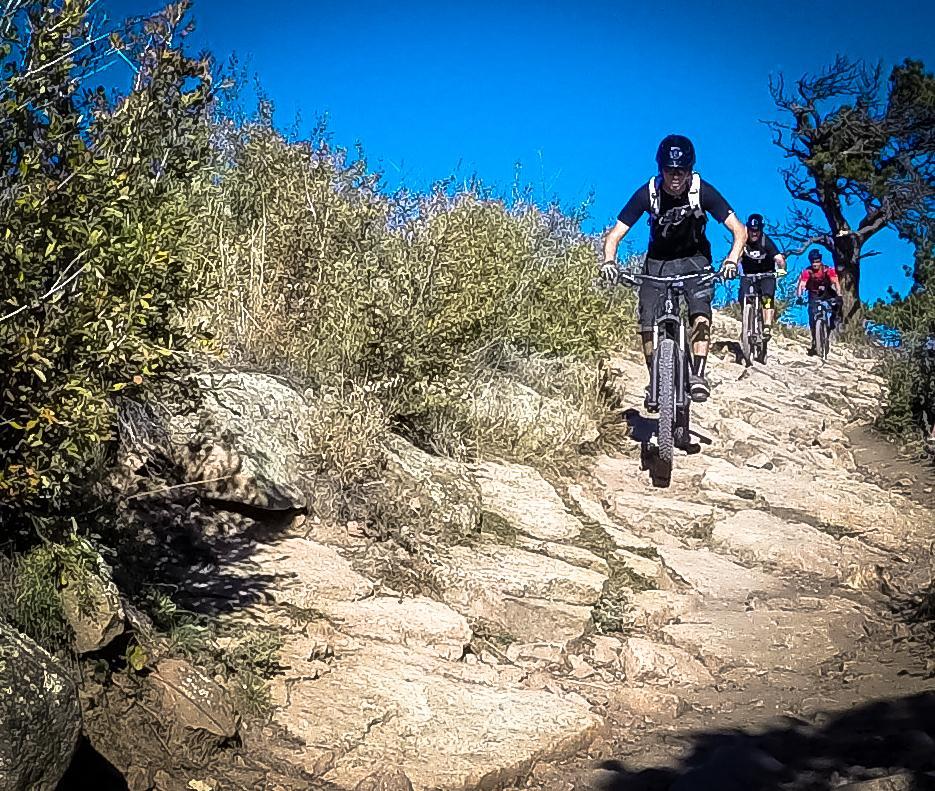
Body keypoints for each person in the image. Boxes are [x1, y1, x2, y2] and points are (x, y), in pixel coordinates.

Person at [600, 134, 746, 403]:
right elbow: (615, 235)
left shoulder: (703, 191)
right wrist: (609, 260)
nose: (675, 176)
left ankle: (698, 374)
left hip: (695, 260)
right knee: (647, 318)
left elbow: (739, 229)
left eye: (681, 170)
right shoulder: (649, 192)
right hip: (658, 263)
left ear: (690, 170)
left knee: (700, 310)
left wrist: (731, 260)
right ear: (661, 169)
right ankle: (655, 378)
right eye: (669, 170)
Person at [737, 214, 786, 339]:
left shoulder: (766, 241)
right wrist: (730, 266)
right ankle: (747, 322)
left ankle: (767, 326)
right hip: (748, 274)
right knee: (743, 295)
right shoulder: (743, 241)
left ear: (761, 230)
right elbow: (734, 256)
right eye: (751, 230)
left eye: (757, 230)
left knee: (767, 298)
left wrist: (782, 268)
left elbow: (779, 258)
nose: (754, 233)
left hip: (767, 274)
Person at [796, 248, 841, 355]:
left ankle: (831, 324)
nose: (815, 264)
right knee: (812, 315)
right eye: (813, 261)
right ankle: (815, 340)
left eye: (817, 261)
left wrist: (839, 294)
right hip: (813, 294)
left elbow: (835, 282)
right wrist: (799, 296)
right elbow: (802, 285)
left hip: (827, 292)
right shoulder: (808, 272)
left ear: (820, 261)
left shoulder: (827, 270)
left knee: (836, 306)